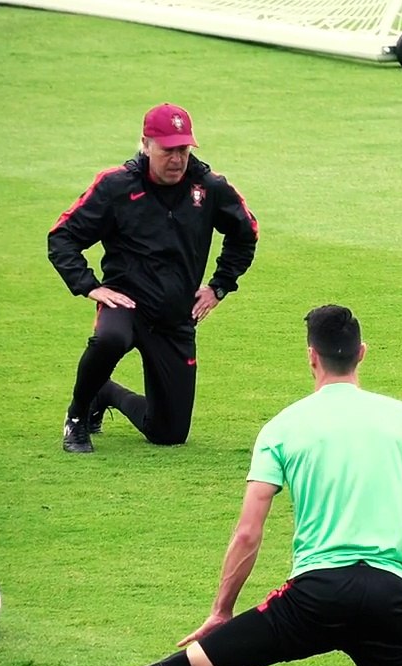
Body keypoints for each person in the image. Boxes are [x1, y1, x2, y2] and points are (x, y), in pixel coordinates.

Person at [55, 305, 402, 666]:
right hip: (387, 600)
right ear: (362, 353)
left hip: (311, 601)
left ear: (311, 355)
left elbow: (248, 533)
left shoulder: (282, 428)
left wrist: (222, 610)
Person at [48, 102, 259, 453]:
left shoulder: (208, 187)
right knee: (109, 339)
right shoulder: (116, 186)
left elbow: (246, 232)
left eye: (183, 149)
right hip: (126, 303)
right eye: (168, 150)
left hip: (176, 316)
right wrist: (89, 286)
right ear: (146, 145)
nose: (177, 159)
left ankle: (107, 392)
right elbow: (62, 237)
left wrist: (220, 285)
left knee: (169, 433)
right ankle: (77, 415)